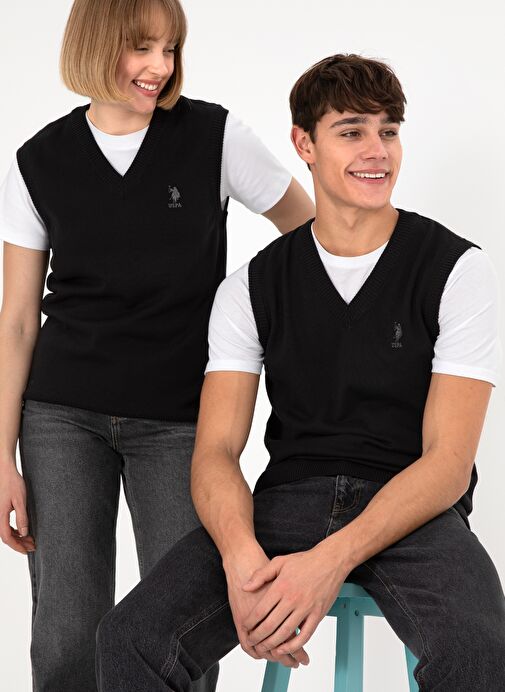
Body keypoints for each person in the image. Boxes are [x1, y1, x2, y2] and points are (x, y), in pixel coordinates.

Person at [95, 53, 505, 691]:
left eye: (388, 131)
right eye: (351, 131)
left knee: (479, 649)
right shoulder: (251, 287)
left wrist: (328, 562)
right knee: (131, 639)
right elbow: (216, 451)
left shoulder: (457, 271)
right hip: (288, 502)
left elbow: (448, 463)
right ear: (304, 144)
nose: (377, 151)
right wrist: (241, 559)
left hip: (415, 509)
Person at [0, 0, 315, 690]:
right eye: (141, 47)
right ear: (95, 44)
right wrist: (0, 457)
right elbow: (17, 320)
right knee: (65, 637)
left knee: (180, 633)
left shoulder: (215, 136)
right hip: (61, 416)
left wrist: (253, 322)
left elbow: (310, 237)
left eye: (169, 49)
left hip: (181, 421)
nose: (159, 67)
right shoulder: (37, 161)